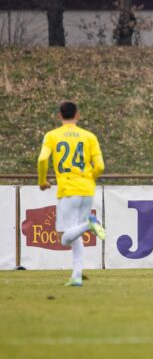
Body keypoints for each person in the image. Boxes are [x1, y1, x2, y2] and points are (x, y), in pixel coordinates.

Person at [37, 101, 106, 287]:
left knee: (65, 237)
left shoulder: (52, 136)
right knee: (75, 234)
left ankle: (91, 224)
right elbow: (100, 166)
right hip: (87, 189)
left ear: (59, 115)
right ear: (78, 115)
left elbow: (43, 159)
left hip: (68, 190)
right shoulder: (89, 136)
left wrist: (42, 181)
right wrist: (89, 178)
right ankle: (76, 275)